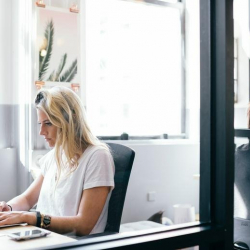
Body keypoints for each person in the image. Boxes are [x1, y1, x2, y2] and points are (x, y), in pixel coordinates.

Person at [0, 86, 115, 236]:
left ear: (70, 120)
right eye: (40, 124)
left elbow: (83, 225)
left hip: (72, 244)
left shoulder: (98, 157)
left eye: (48, 123)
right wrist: (8, 208)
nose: (41, 132)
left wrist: (28, 217)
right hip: (46, 238)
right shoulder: (55, 155)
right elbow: (28, 199)